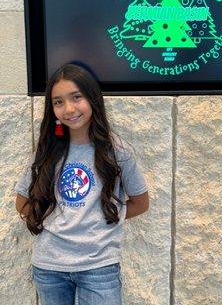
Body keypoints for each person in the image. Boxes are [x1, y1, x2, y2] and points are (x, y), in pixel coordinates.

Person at [14, 63, 149, 305]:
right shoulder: (46, 151)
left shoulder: (117, 151)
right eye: (58, 102)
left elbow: (141, 203)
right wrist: (47, 219)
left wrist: (103, 216)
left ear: (93, 99)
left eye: (77, 97)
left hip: (99, 267)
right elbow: (22, 201)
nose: (69, 109)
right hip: (49, 267)